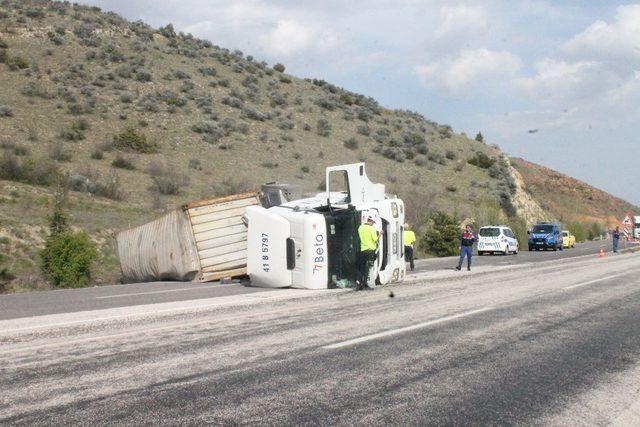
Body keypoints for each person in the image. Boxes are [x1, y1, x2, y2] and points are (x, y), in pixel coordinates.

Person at [357, 215, 381, 290]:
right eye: (373, 222)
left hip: (363, 250)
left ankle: (358, 284)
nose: (373, 224)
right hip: (370, 250)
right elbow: (375, 239)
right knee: (368, 269)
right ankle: (365, 285)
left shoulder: (360, 227)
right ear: (370, 221)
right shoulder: (371, 228)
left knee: (361, 268)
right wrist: (380, 234)